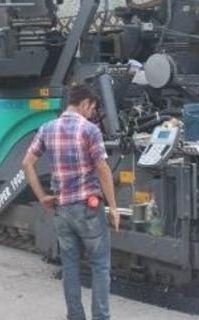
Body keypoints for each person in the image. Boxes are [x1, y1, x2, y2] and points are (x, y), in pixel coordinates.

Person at [22, 85, 119, 320]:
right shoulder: (90, 130)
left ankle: (75, 316)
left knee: (70, 266)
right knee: (100, 266)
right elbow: (103, 169)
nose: (91, 113)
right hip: (88, 208)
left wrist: (42, 196)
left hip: (62, 209)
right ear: (85, 103)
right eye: (92, 108)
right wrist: (114, 207)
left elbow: (26, 164)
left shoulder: (47, 129)